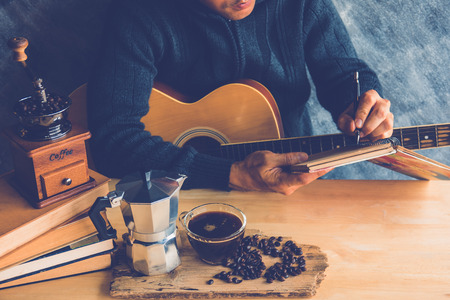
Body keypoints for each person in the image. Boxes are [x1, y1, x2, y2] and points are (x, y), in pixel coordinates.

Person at [87, 0, 393, 195]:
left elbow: (344, 73)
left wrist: (358, 103)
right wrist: (230, 174)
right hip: (185, 198)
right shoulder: (138, 12)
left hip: (297, 185)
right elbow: (113, 140)